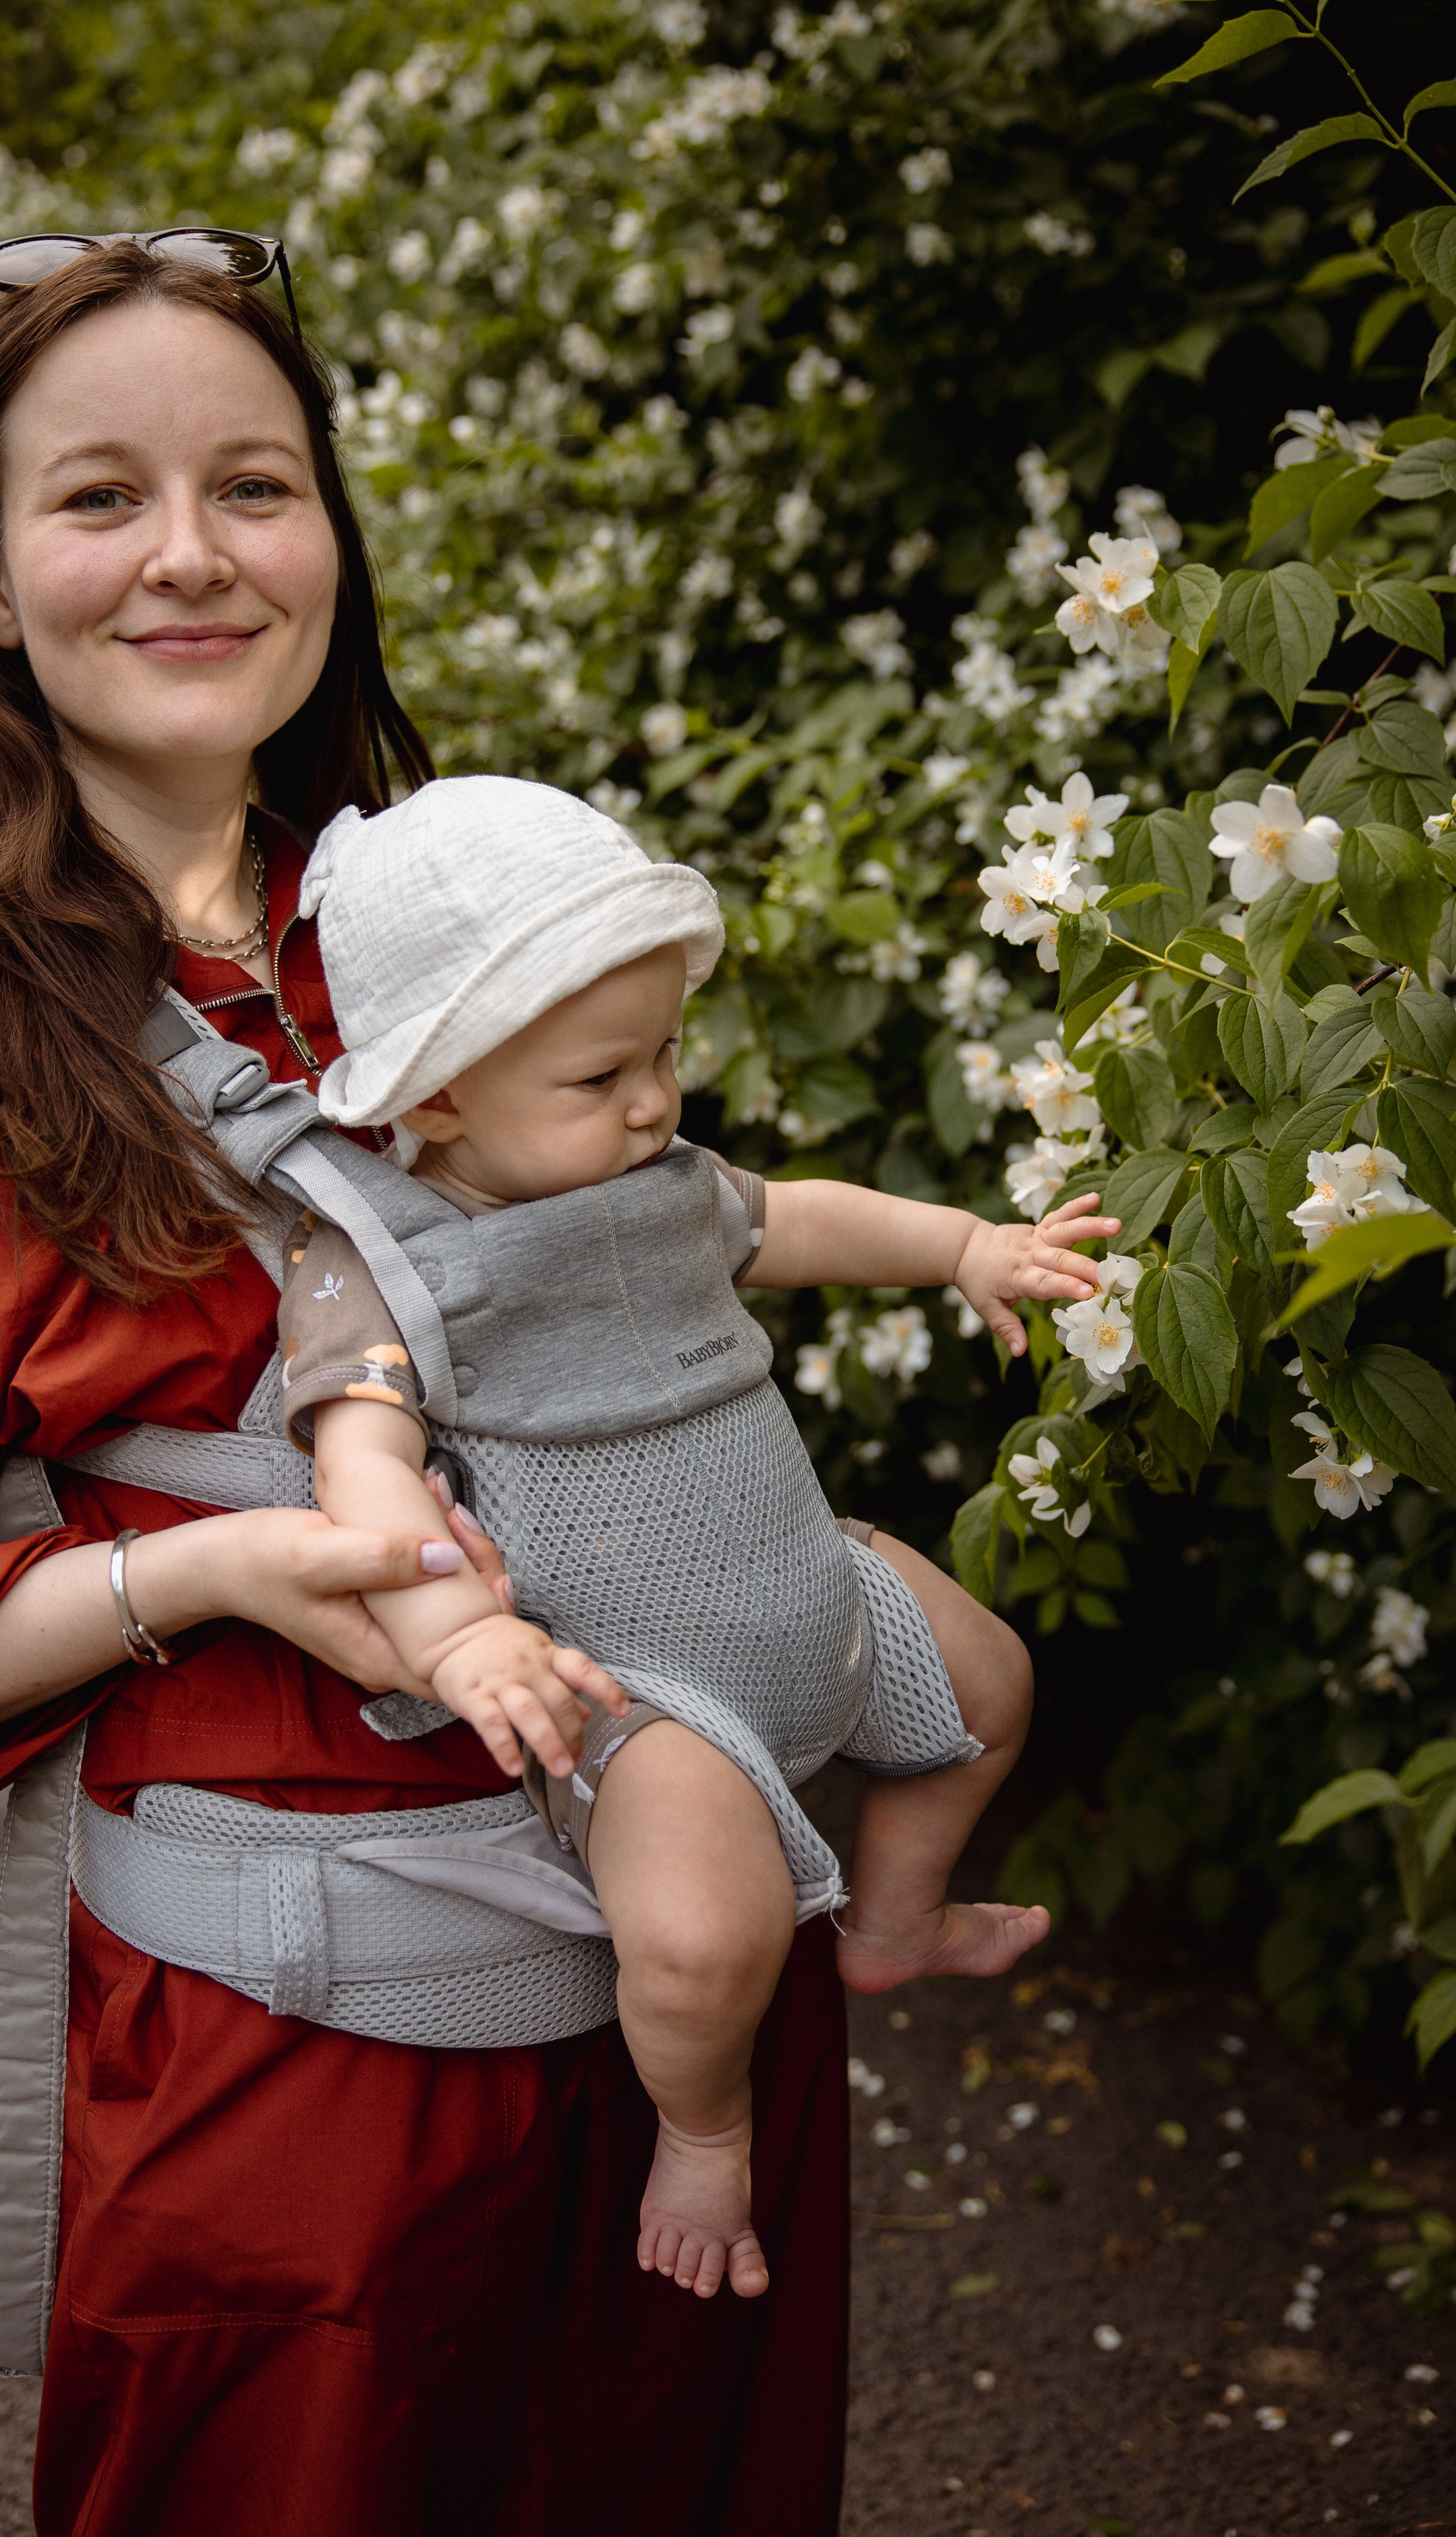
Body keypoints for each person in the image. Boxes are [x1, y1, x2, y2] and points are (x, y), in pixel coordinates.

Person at [0, 235, 879, 2537]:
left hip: (696, 1973)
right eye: (98, 498)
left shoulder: (457, 904)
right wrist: (240, 1567)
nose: (191, 553)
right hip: (313, 2065)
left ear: (332, 542)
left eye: (254, 484)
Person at [277, 778, 1112, 2302]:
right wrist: (465, 1636)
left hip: (805, 1582)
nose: (655, 1100)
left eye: (664, 1051)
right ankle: (703, 2129)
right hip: (636, 1681)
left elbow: (792, 1217)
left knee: (990, 1686)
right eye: (602, 1074)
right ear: (437, 1093)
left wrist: (964, 1247)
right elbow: (363, 1463)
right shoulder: (381, 1261)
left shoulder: (656, 1182)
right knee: (701, 1938)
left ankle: (894, 1916)